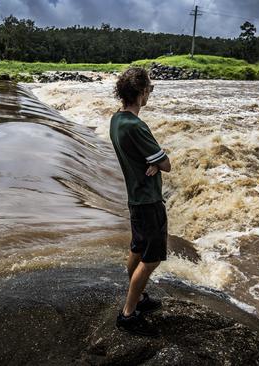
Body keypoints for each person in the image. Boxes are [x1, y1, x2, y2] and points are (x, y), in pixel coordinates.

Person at [109, 67, 171, 337]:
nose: (150, 93)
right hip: (148, 200)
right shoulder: (137, 125)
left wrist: (153, 164)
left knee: (137, 247)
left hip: (135, 198)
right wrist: (157, 165)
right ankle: (129, 313)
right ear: (140, 92)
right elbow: (166, 163)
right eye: (149, 89)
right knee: (152, 258)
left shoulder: (116, 120)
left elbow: (147, 159)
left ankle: (139, 296)